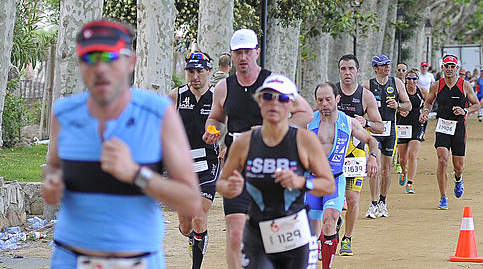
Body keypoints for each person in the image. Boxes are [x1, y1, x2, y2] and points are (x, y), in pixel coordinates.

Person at [41, 20, 201, 269]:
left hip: (138, 260)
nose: (100, 69)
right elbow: (52, 168)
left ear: (131, 61)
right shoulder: (64, 114)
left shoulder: (158, 113)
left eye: (110, 57)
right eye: (90, 58)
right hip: (70, 258)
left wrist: (136, 173)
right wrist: (52, 183)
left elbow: (190, 201)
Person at [204, 28, 314, 269]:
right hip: (237, 168)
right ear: (231, 55)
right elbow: (216, 118)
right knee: (235, 233)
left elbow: (305, 112)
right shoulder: (224, 87)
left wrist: (278, 130)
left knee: (274, 235)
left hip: (272, 167)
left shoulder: (274, 82)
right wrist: (212, 131)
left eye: (247, 52)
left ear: (257, 53)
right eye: (238, 52)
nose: (243, 57)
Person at [216, 74, 334, 269]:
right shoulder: (244, 142)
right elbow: (222, 183)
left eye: (283, 98)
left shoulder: (304, 141)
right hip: (258, 233)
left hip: (295, 234)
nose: (275, 103)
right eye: (268, 97)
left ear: (291, 105)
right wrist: (229, 188)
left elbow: (328, 184)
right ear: (260, 101)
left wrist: (301, 182)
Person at [306, 82, 379, 269]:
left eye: (328, 99)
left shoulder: (348, 122)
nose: (324, 104)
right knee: (312, 234)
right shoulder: (308, 121)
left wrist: (372, 157)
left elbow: (371, 140)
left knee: (330, 219)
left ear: (337, 99)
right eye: (320, 100)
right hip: (312, 182)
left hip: (335, 179)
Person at [169, 50, 220, 269]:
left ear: (209, 71)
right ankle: (193, 237)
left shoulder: (219, 96)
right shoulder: (176, 96)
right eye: (190, 71)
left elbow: (232, 125)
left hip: (208, 163)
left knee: (199, 217)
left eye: (199, 71)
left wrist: (225, 144)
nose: (195, 76)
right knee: (186, 226)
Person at [333, 54, 383, 256]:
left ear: (358, 71)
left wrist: (366, 123)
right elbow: (314, 115)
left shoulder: (366, 96)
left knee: (352, 200)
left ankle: (347, 239)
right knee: (330, 199)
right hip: (333, 153)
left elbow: (379, 126)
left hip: (355, 152)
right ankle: (334, 224)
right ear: (339, 71)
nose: (347, 73)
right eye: (343, 69)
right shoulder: (332, 92)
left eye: (351, 69)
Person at [419, 55, 481, 209]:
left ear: (457, 68)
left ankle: (458, 179)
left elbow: (477, 105)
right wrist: (425, 111)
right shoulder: (436, 85)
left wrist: (464, 110)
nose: (449, 69)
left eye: (452, 66)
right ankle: (443, 197)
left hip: (459, 127)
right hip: (443, 126)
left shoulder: (464, 85)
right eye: (447, 66)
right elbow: (428, 101)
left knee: (458, 166)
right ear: (442, 68)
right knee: (442, 160)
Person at [364, 54, 410, 219]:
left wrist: (398, 105)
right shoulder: (367, 85)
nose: (387, 67)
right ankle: (373, 202)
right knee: (374, 168)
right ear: (375, 68)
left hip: (390, 131)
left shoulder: (396, 83)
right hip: (374, 131)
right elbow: (360, 108)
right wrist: (364, 121)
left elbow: (408, 105)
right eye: (383, 65)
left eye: (388, 64)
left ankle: (383, 201)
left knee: (386, 169)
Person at [396, 69, 424, 194]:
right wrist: (399, 110)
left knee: (412, 155)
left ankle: (410, 183)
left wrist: (424, 114)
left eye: (414, 79)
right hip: (403, 125)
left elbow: (427, 105)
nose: (411, 81)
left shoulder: (422, 91)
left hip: (417, 125)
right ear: (406, 79)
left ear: (417, 80)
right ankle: (404, 172)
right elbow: (393, 105)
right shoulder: (401, 91)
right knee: (402, 159)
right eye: (409, 78)